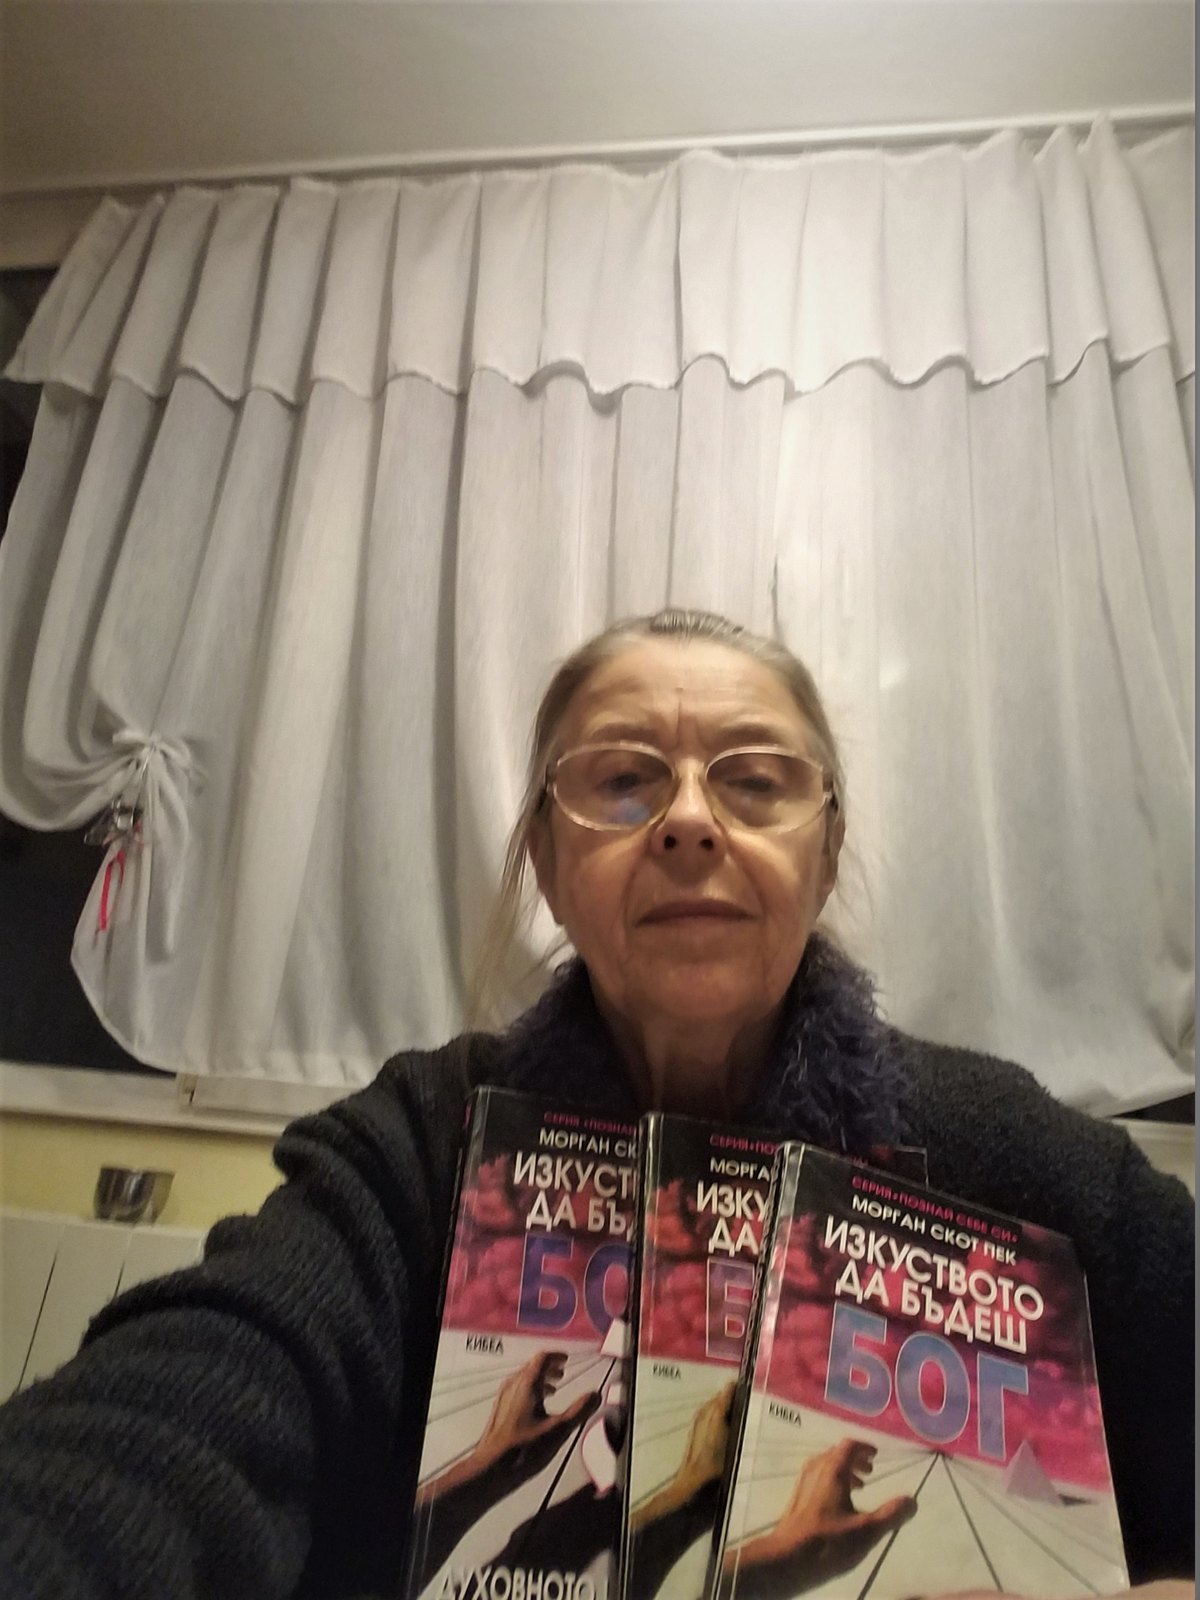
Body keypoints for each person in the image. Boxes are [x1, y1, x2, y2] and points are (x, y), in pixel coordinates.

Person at [0, 609, 1192, 1600]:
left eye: (755, 781)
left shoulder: (994, 1146)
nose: (689, 819)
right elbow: (188, 1406)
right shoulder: (429, 1137)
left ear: (825, 855)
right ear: (549, 865)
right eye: (623, 782)